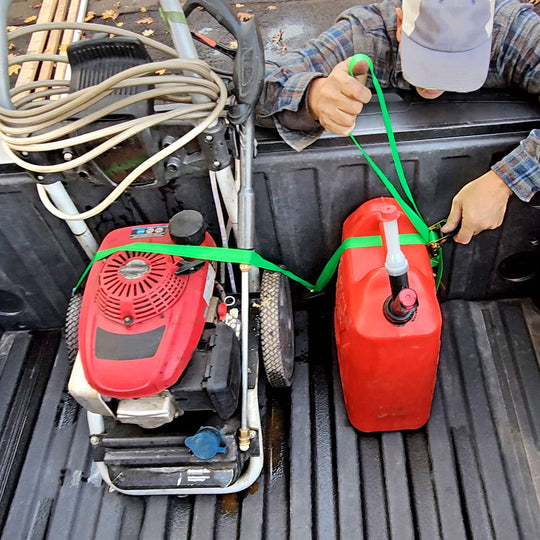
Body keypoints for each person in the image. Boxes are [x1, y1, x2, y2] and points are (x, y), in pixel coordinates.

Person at [257, 0, 540, 244]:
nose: (437, 80)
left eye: (455, 64)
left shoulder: (516, 32)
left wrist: (505, 181)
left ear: (490, 33)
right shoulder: (366, 35)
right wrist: (313, 97)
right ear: (401, 21)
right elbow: (255, 87)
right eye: (429, 59)